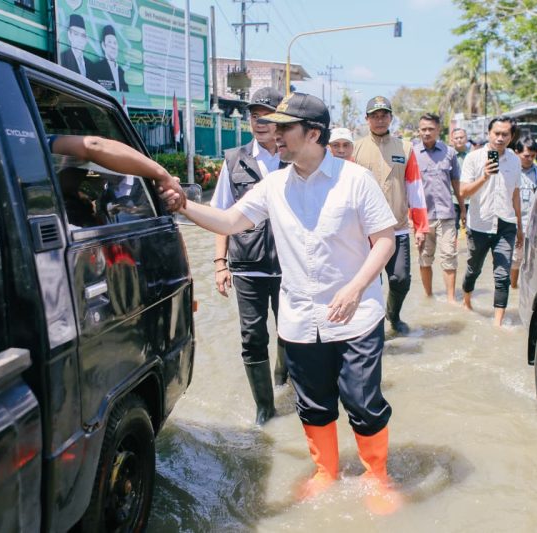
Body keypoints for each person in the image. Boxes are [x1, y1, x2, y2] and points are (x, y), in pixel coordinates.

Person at [162, 93, 401, 514]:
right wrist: (185, 206)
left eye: (284, 128)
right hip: (300, 317)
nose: (274, 134)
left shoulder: (354, 180)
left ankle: (377, 476)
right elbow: (232, 221)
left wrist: (355, 287)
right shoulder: (273, 184)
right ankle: (326, 470)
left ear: (313, 134)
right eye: (272, 126)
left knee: (363, 401)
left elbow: (384, 241)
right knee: (312, 403)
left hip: (356, 315)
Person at [210, 87, 287, 426]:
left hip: (291, 266)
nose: (259, 122)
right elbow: (221, 214)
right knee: (252, 337)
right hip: (247, 266)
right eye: (254, 116)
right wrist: (219, 264)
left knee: (291, 331)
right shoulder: (234, 159)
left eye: (266, 116)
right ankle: (265, 408)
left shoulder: (295, 157)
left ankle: (284, 375)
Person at [353, 96, 428, 335]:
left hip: (398, 229)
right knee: (370, 282)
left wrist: (421, 227)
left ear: (391, 118)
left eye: (384, 115)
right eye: (374, 115)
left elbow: (415, 188)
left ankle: (393, 316)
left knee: (400, 279)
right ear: (366, 119)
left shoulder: (405, 148)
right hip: (364, 231)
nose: (379, 120)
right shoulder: (355, 148)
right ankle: (371, 329)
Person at [460, 116, 523, 327]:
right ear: (489, 133)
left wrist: (520, 228)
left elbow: (515, 195)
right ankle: (466, 302)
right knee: (473, 269)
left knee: (502, 274)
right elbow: (463, 192)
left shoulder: (515, 160)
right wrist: (484, 177)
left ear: (511, 136)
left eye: (505, 134)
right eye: (496, 133)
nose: (500, 138)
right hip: (479, 224)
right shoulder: (474, 158)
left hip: (506, 224)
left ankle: (497, 324)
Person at [47, 135, 184, 209]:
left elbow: (92, 146)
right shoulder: (97, 192)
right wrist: (163, 175)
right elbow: (92, 146)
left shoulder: (144, 187)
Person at [415, 114, 463, 304]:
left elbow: (456, 182)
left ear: (438, 130)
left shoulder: (449, 153)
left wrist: (463, 209)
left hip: (446, 215)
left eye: (430, 129)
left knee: (449, 255)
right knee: (425, 258)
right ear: (419, 130)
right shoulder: (411, 153)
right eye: (423, 129)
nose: (427, 132)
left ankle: (451, 300)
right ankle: (429, 297)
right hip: (422, 217)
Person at [511, 137, 537, 288]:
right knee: (515, 260)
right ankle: (513, 287)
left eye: (533, 156)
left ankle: (526, 289)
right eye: (526, 156)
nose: (530, 159)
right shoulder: (510, 170)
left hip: (533, 224)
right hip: (513, 223)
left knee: (532, 261)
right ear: (516, 153)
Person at [88, 25, 128, 92]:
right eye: (109, 42)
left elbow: (127, 94)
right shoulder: (96, 68)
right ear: (103, 45)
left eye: (115, 43)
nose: (113, 46)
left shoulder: (121, 71)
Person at [449, 127, 469, 231]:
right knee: (452, 230)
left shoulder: (472, 155)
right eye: (456, 138)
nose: (459, 140)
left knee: (472, 231)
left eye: (461, 137)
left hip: (470, 199)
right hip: (453, 199)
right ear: (452, 140)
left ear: (466, 138)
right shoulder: (447, 156)